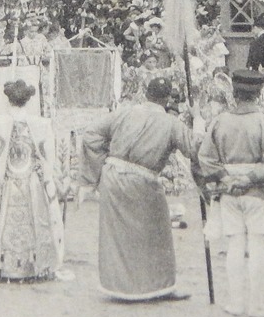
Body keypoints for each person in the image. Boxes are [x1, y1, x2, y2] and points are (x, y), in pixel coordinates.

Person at [79, 76, 197, 302]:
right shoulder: (172, 123)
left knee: (119, 236)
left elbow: (91, 134)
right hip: (143, 179)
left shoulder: (125, 112)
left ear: (146, 93)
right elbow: (194, 148)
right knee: (157, 233)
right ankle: (158, 286)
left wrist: (101, 165)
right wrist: (197, 119)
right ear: (167, 99)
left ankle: (123, 287)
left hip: (113, 175)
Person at [197, 69, 264, 317]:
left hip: (228, 190)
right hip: (257, 190)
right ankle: (257, 305)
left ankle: (236, 302)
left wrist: (227, 177)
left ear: (234, 94)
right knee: (258, 246)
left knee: (235, 245)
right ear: (259, 94)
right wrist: (249, 178)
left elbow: (205, 157)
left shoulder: (220, 121)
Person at [0, 79, 69, 283]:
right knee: (37, 219)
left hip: (7, 181)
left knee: (3, 220)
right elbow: (49, 157)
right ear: (28, 100)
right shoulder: (41, 124)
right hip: (32, 182)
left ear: (8, 99)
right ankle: (36, 266)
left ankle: (0, 266)